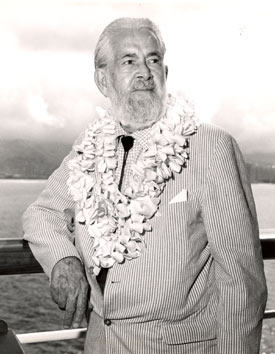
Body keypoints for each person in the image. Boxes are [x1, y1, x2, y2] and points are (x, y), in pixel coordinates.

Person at [23, 17, 267, 354]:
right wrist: (63, 259)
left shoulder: (210, 146)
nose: (145, 72)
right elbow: (42, 213)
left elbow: (243, 282)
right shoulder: (90, 146)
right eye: (129, 61)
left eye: (153, 59)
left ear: (165, 74)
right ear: (102, 80)